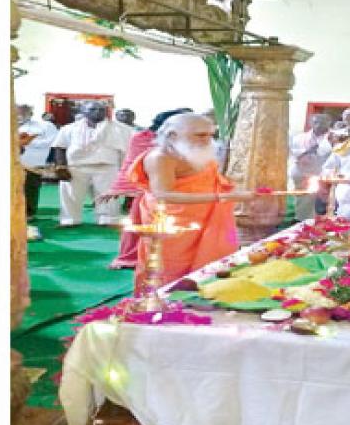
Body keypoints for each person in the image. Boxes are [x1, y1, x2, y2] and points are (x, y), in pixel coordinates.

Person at [127, 113, 266, 293]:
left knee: (211, 262)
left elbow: (211, 182)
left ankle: (205, 297)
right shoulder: (160, 157)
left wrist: (236, 192)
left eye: (210, 135)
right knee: (171, 268)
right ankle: (162, 304)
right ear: (172, 135)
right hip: (173, 222)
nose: (207, 140)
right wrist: (219, 198)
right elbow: (163, 195)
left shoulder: (196, 151)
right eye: (200, 135)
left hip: (207, 218)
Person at [104, 107, 193, 269]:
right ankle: (131, 257)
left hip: (182, 188)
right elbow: (131, 163)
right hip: (149, 190)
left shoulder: (187, 139)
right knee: (141, 223)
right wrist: (120, 187)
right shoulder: (142, 138)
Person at [51, 101, 135, 227]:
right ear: (84, 111)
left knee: (108, 197)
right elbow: (59, 147)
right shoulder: (69, 128)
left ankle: (108, 220)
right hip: (76, 168)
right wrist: (61, 166)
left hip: (107, 167)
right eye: (93, 109)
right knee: (70, 195)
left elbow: (129, 150)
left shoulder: (121, 129)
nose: (98, 112)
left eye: (102, 109)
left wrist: (125, 171)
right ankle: (69, 220)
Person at [288, 114, 334, 221]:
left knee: (326, 202)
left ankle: (325, 224)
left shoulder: (334, 137)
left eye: (323, 122)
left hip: (325, 175)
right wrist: (308, 153)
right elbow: (297, 155)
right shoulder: (299, 138)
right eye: (316, 122)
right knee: (304, 201)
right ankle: (303, 223)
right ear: (311, 123)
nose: (319, 125)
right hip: (303, 173)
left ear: (329, 124)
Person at [17, 105, 58, 220]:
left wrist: (27, 142)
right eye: (17, 111)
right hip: (13, 164)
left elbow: (53, 141)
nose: (20, 114)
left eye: (24, 111)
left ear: (31, 113)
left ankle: (28, 213)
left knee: (30, 188)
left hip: (32, 164)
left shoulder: (44, 126)